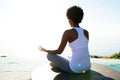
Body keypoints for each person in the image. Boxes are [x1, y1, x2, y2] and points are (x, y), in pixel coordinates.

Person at [39, 6, 91, 73]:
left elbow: (59, 51)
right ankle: (59, 65)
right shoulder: (86, 32)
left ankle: (59, 66)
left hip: (75, 69)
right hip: (87, 66)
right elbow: (81, 50)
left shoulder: (68, 32)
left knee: (49, 55)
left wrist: (44, 50)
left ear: (70, 20)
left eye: (68, 18)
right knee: (69, 57)